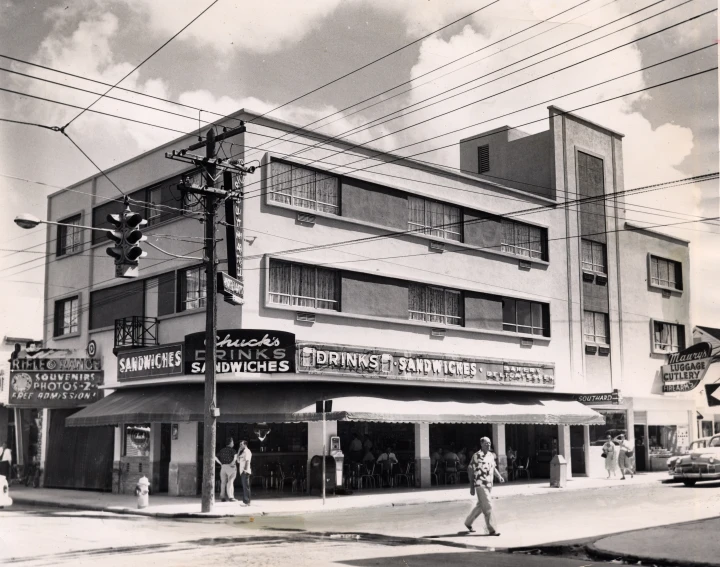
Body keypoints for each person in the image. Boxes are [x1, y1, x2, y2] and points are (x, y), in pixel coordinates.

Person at [465, 436, 504, 536]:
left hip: (489, 484)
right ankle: (492, 529)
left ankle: (468, 522)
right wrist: (472, 486)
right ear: (481, 444)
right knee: (488, 506)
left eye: (489, 443)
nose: (488, 445)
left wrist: (499, 476)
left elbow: (493, 468)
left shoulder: (491, 455)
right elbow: (470, 470)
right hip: (480, 484)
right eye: (486, 443)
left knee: (481, 505)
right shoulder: (476, 456)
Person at [214, 438, 237, 502]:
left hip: (223, 467)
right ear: (230, 442)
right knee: (230, 481)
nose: (233, 443)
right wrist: (232, 462)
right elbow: (235, 457)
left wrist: (220, 463)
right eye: (233, 442)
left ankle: (222, 496)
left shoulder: (221, 450)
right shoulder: (233, 450)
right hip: (231, 467)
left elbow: (214, 456)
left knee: (223, 482)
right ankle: (231, 497)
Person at [237, 439, 252, 506]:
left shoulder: (247, 451)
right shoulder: (242, 452)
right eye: (240, 444)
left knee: (246, 486)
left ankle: (247, 502)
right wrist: (239, 451)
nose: (240, 445)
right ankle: (245, 501)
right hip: (242, 471)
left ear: (245, 445)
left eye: (241, 444)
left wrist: (245, 470)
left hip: (245, 471)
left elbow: (247, 461)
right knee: (244, 486)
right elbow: (238, 461)